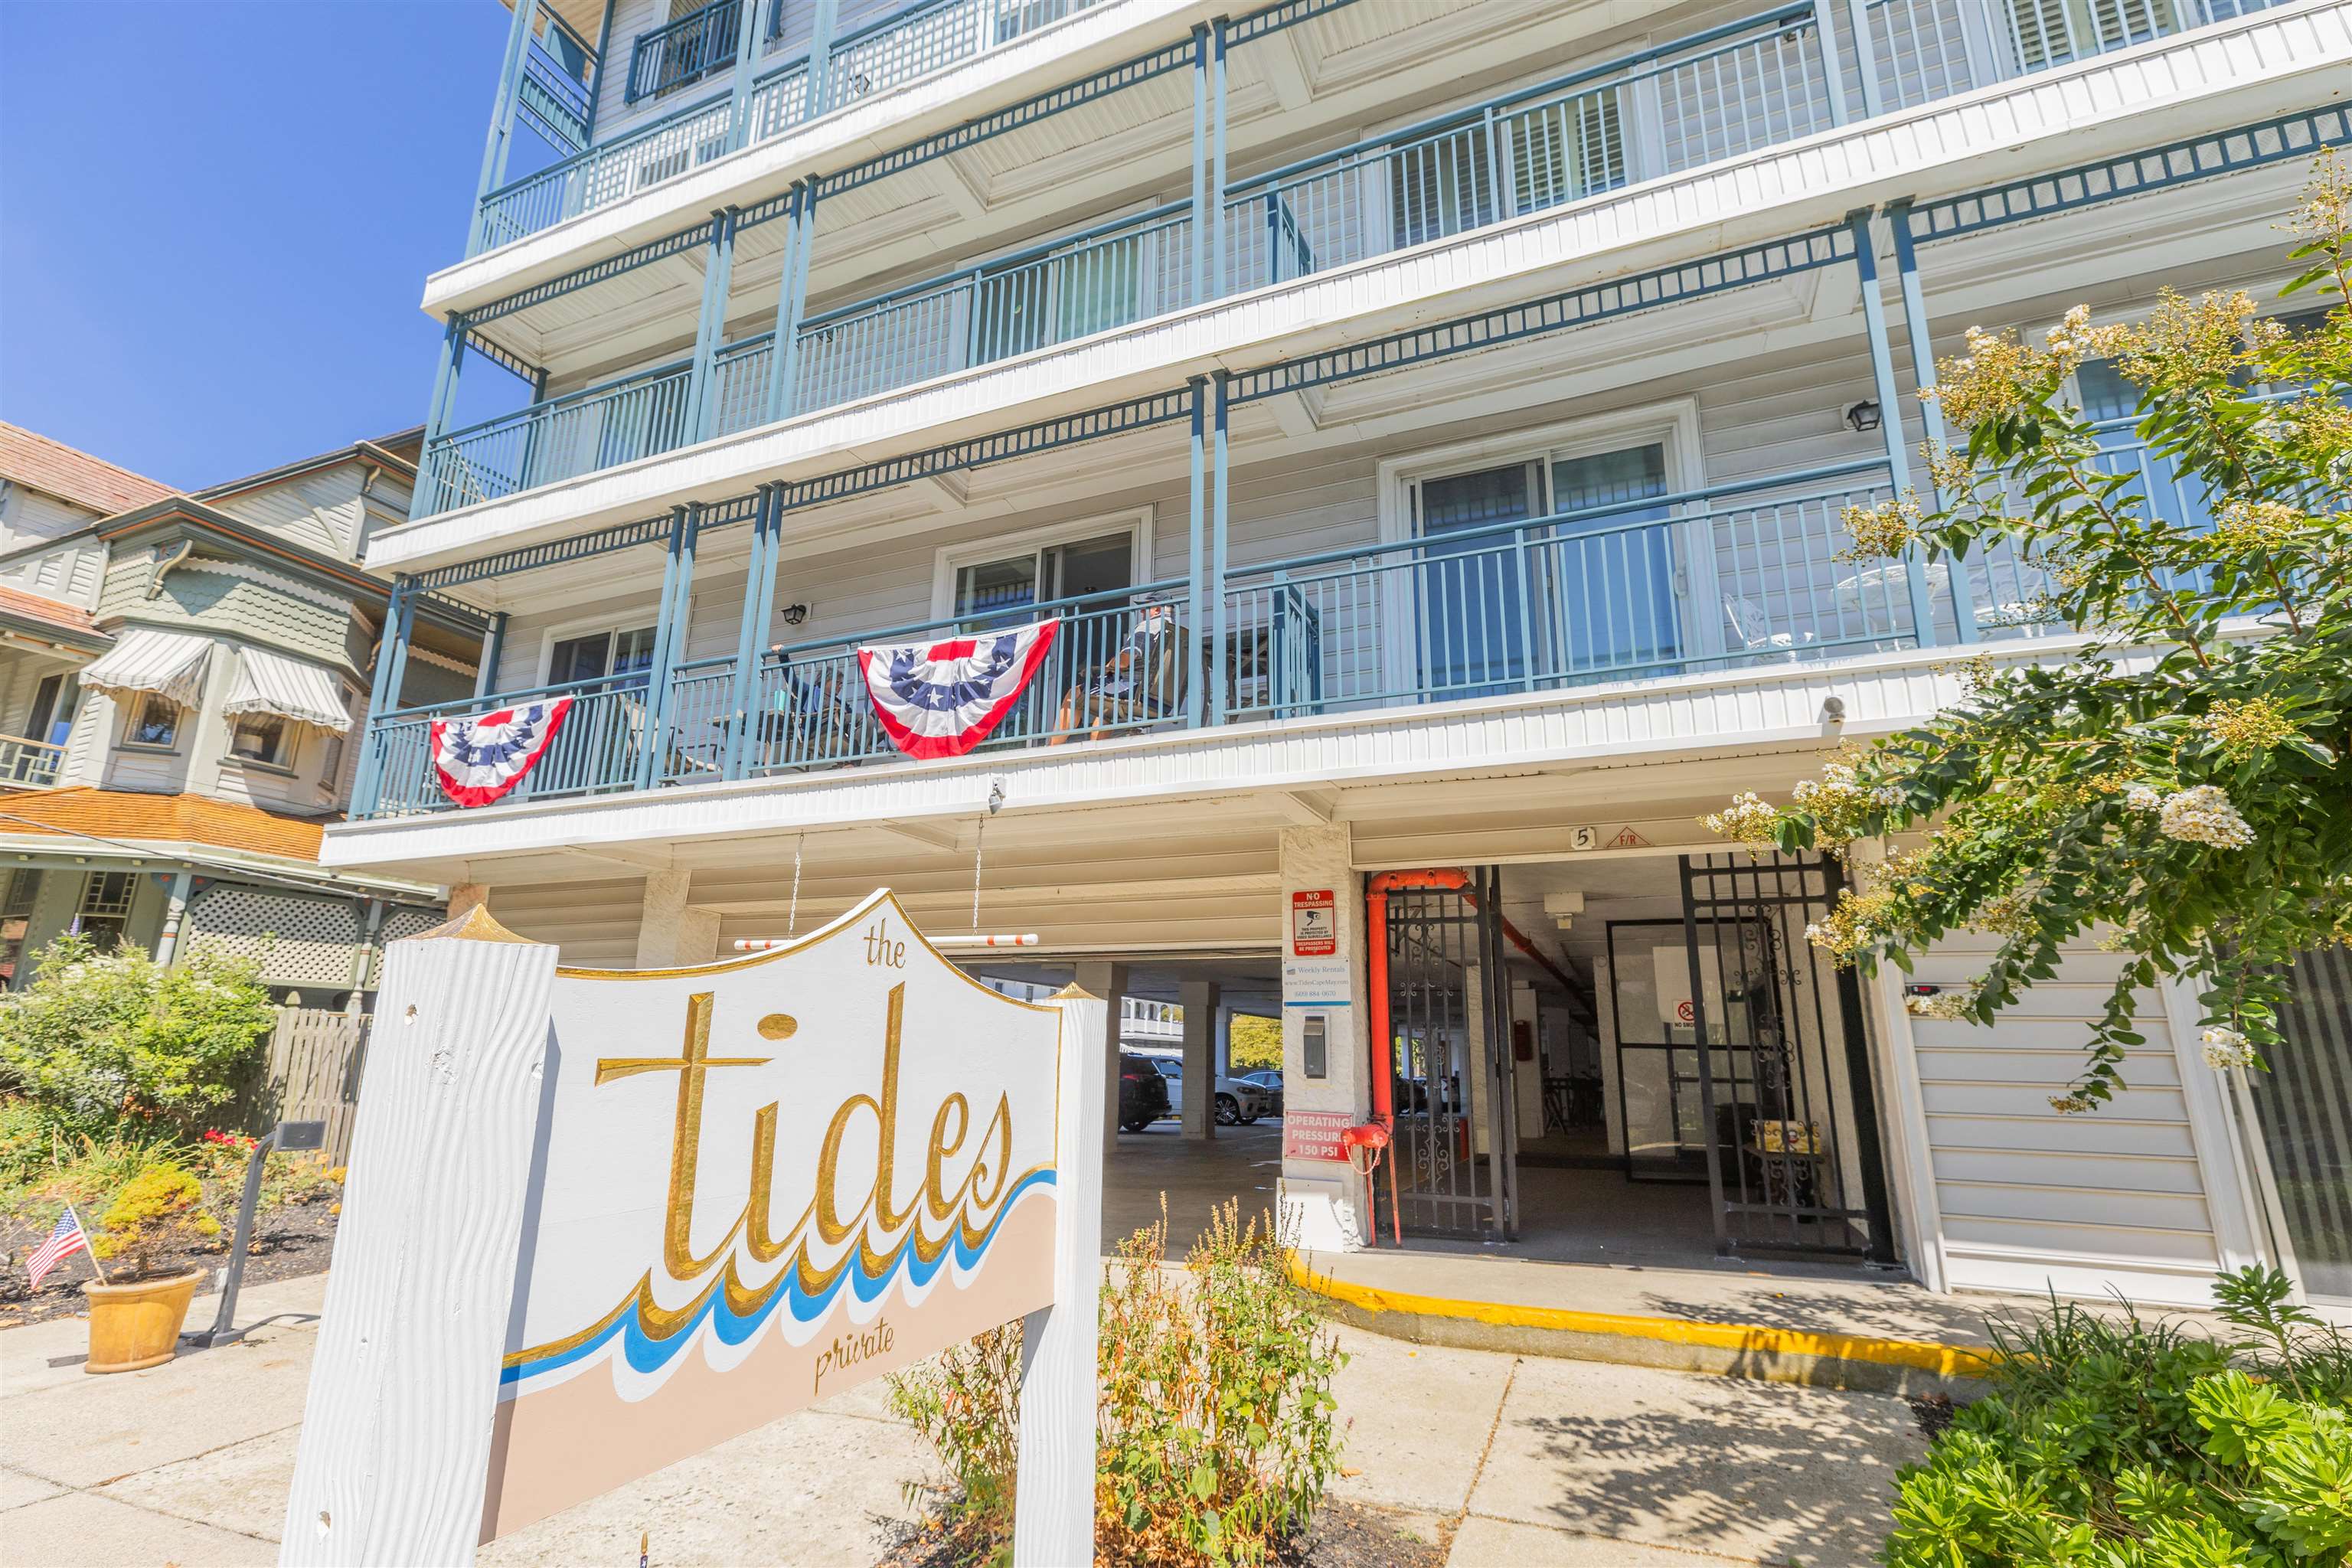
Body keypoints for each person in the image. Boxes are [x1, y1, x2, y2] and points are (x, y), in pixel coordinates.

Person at [1050, 603, 1178, 745]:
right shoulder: (1176, 634)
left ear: (1157, 609)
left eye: (1145, 608)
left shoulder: (1148, 627)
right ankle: (1096, 750)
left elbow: (1124, 662)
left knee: (1075, 693)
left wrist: (1109, 666)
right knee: (1105, 704)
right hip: (1162, 700)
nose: (1142, 612)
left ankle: (1052, 749)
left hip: (1138, 693)